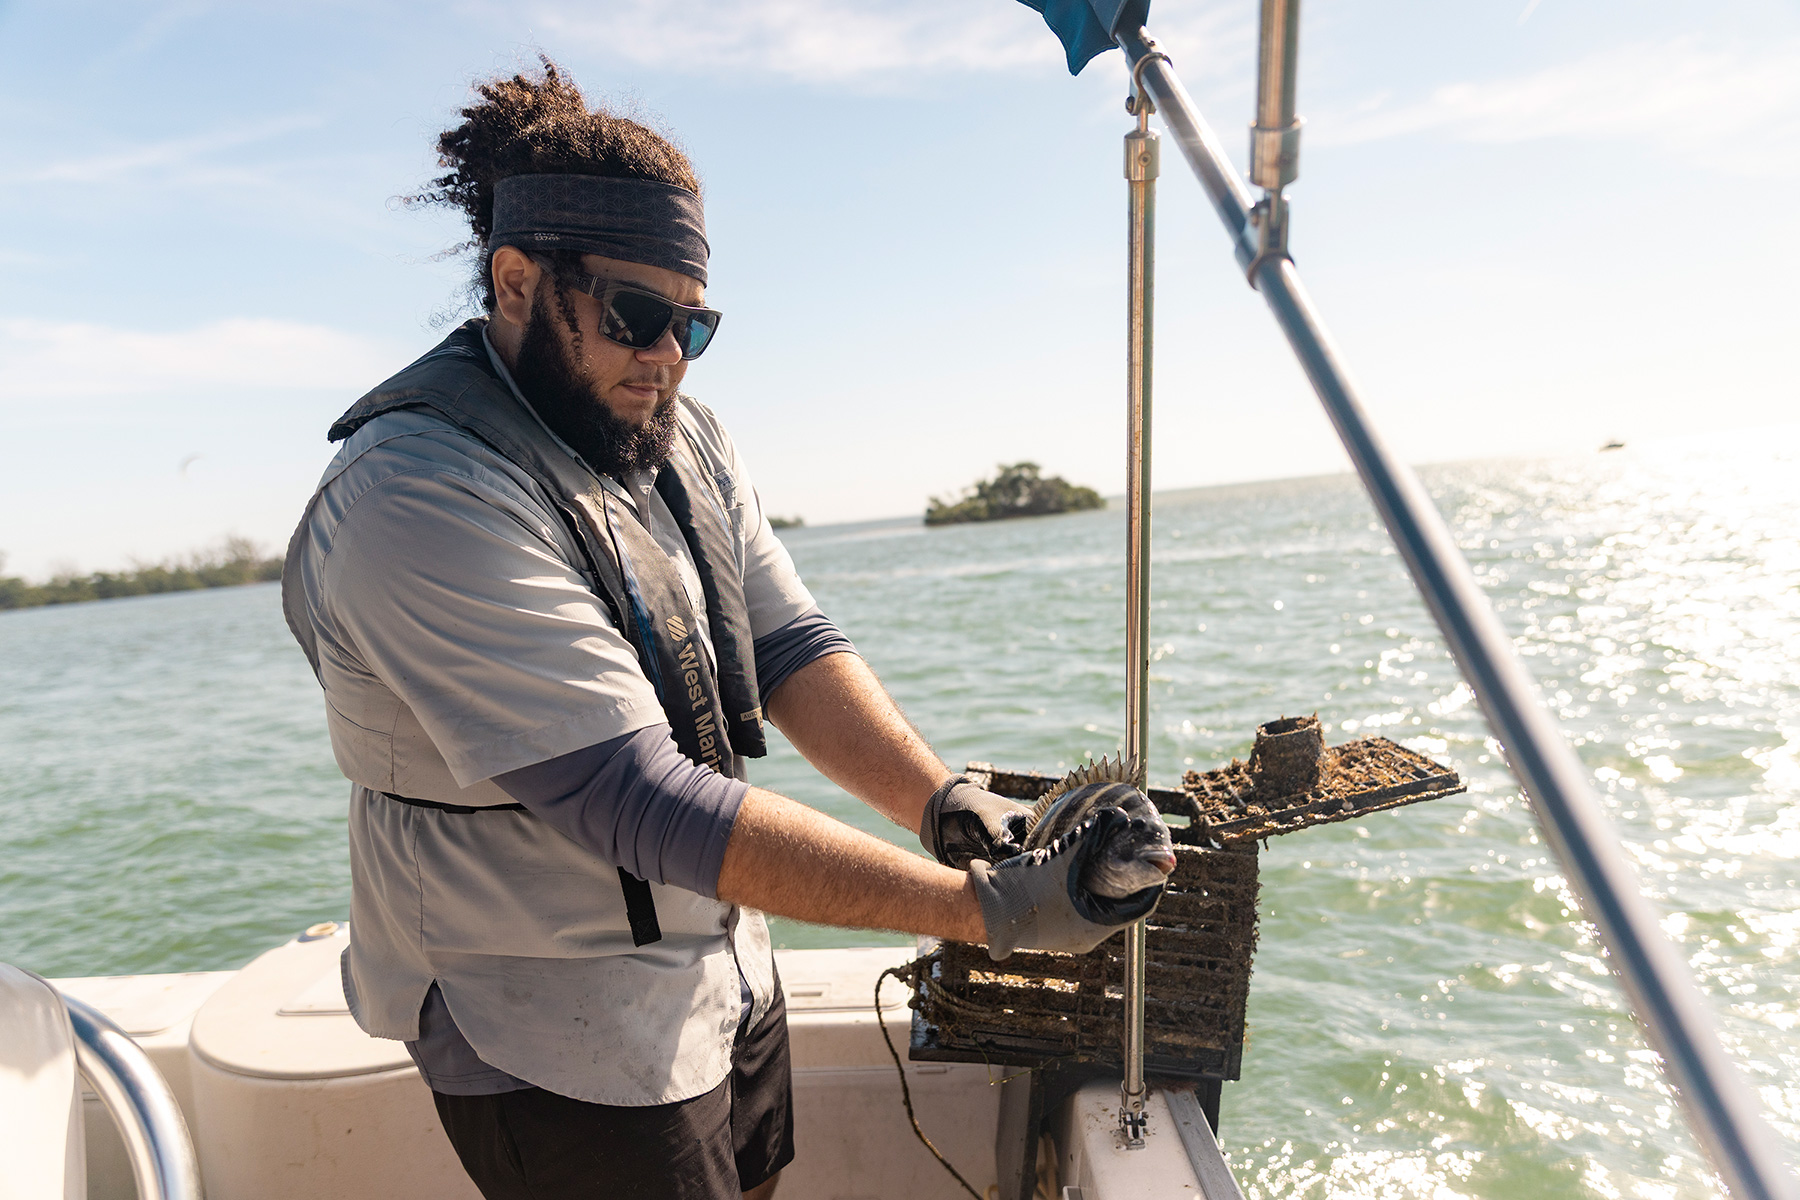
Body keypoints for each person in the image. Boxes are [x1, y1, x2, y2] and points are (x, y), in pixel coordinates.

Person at [281, 59, 1165, 1200]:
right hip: (543, 1026)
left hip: (719, 963)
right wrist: (984, 912)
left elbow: (788, 643)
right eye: (635, 317)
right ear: (513, 280)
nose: (665, 360)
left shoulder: (678, 433)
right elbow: (634, 798)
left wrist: (943, 805)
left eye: (692, 327)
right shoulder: (419, 495)